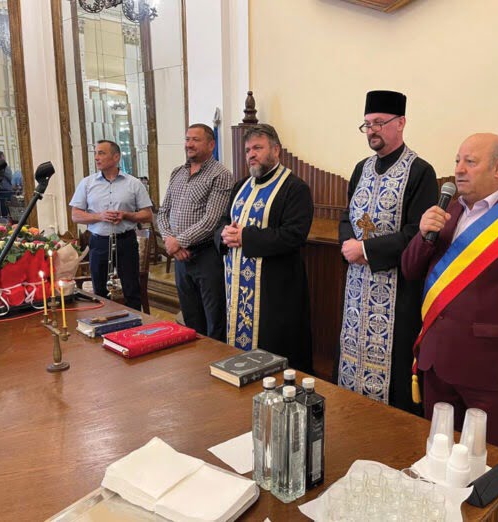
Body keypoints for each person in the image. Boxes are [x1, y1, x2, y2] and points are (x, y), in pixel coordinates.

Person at [401, 133, 498, 451]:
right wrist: (422, 234)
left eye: (470, 162)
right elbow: (410, 270)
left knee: (488, 459)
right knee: (438, 453)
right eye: (458, 160)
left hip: (488, 370)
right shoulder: (447, 213)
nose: (459, 169)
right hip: (436, 361)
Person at [336, 90, 438, 412]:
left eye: (379, 123)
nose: (372, 131)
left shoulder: (420, 171)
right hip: (356, 289)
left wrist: (365, 249)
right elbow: (346, 216)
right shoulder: (361, 169)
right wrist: (348, 245)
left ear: (401, 123)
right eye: (367, 124)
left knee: (393, 377)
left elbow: (416, 232)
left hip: (397, 292)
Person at [216, 124, 313, 372]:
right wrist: (224, 234)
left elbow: (294, 236)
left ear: (276, 150)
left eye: (258, 148)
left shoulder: (295, 188)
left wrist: (245, 237)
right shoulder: (241, 186)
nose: (251, 154)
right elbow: (224, 222)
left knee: (274, 358)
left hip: (275, 291)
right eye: (248, 150)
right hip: (237, 289)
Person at [157, 124, 233, 340]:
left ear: (211, 144)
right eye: (187, 139)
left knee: (214, 319)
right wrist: (171, 242)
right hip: (181, 258)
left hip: (207, 256)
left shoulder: (221, 175)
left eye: (195, 140)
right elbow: (163, 212)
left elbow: (212, 220)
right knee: (190, 318)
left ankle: (216, 359)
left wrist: (178, 241)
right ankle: (195, 359)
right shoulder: (177, 173)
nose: (189, 144)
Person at [69, 140, 153, 311]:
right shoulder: (87, 183)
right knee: (100, 290)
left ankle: (135, 324)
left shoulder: (133, 183)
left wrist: (126, 215)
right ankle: (104, 321)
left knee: (131, 289)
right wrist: (99, 216)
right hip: (99, 242)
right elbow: (75, 215)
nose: (96, 158)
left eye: (101, 153)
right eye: (96, 153)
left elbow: (147, 215)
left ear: (116, 157)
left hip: (125, 241)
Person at [0, 151, 13, 218]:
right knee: (7, 210)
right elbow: (10, 177)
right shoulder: (3, 165)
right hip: (6, 190)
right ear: (1, 156)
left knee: (0, 210)